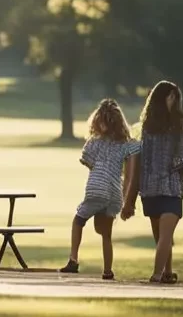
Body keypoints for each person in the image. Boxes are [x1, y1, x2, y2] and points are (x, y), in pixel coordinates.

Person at [122, 81, 183, 284]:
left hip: (150, 190)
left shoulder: (145, 129)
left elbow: (140, 162)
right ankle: (157, 274)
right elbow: (181, 159)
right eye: (172, 97)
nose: (174, 101)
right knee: (166, 237)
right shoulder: (177, 126)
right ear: (167, 98)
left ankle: (167, 272)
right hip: (170, 189)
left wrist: (131, 198)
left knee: (161, 237)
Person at [59, 99, 141, 280]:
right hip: (115, 193)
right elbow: (129, 176)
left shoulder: (95, 142)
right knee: (105, 233)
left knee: (78, 219)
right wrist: (127, 200)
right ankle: (107, 270)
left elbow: (88, 162)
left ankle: (73, 259)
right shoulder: (127, 144)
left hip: (96, 189)